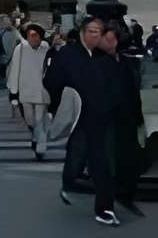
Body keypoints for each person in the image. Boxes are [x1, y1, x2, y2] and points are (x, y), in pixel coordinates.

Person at [45, 14, 105, 208]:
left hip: (99, 108)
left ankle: (87, 181)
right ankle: (71, 183)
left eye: (99, 33)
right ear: (83, 32)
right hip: (78, 107)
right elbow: (51, 81)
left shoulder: (100, 54)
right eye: (92, 32)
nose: (96, 36)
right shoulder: (67, 54)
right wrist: (60, 102)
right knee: (79, 146)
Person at [94, 24, 144, 220]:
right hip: (107, 119)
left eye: (113, 38)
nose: (111, 42)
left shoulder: (124, 61)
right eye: (107, 38)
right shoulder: (97, 63)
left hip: (128, 118)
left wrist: (137, 115)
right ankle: (104, 206)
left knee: (129, 160)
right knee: (107, 163)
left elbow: (133, 89)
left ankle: (125, 195)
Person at [7, 22, 52, 159]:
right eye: (30, 36)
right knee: (30, 120)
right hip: (25, 91)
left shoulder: (46, 48)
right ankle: (36, 136)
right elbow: (14, 70)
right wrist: (13, 93)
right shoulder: (20, 49)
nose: (33, 38)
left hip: (42, 91)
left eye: (35, 35)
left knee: (39, 119)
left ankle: (41, 146)